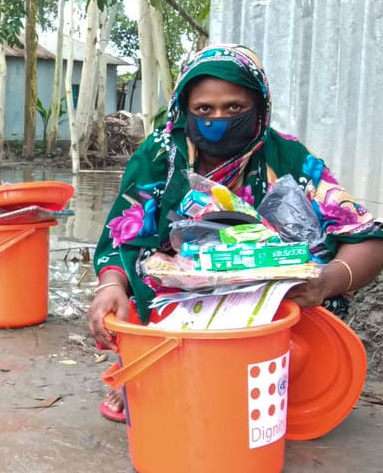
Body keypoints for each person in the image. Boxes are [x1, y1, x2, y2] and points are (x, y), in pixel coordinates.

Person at [87, 44, 383, 421]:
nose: (218, 120)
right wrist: (109, 285)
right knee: (139, 270)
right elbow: (121, 237)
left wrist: (326, 282)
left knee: (313, 269)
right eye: (204, 110)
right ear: (185, 108)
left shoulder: (287, 157)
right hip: (177, 296)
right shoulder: (160, 155)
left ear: (259, 107)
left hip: (267, 298)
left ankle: (262, 372)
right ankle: (155, 365)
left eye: (234, 108)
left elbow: (367, 238)